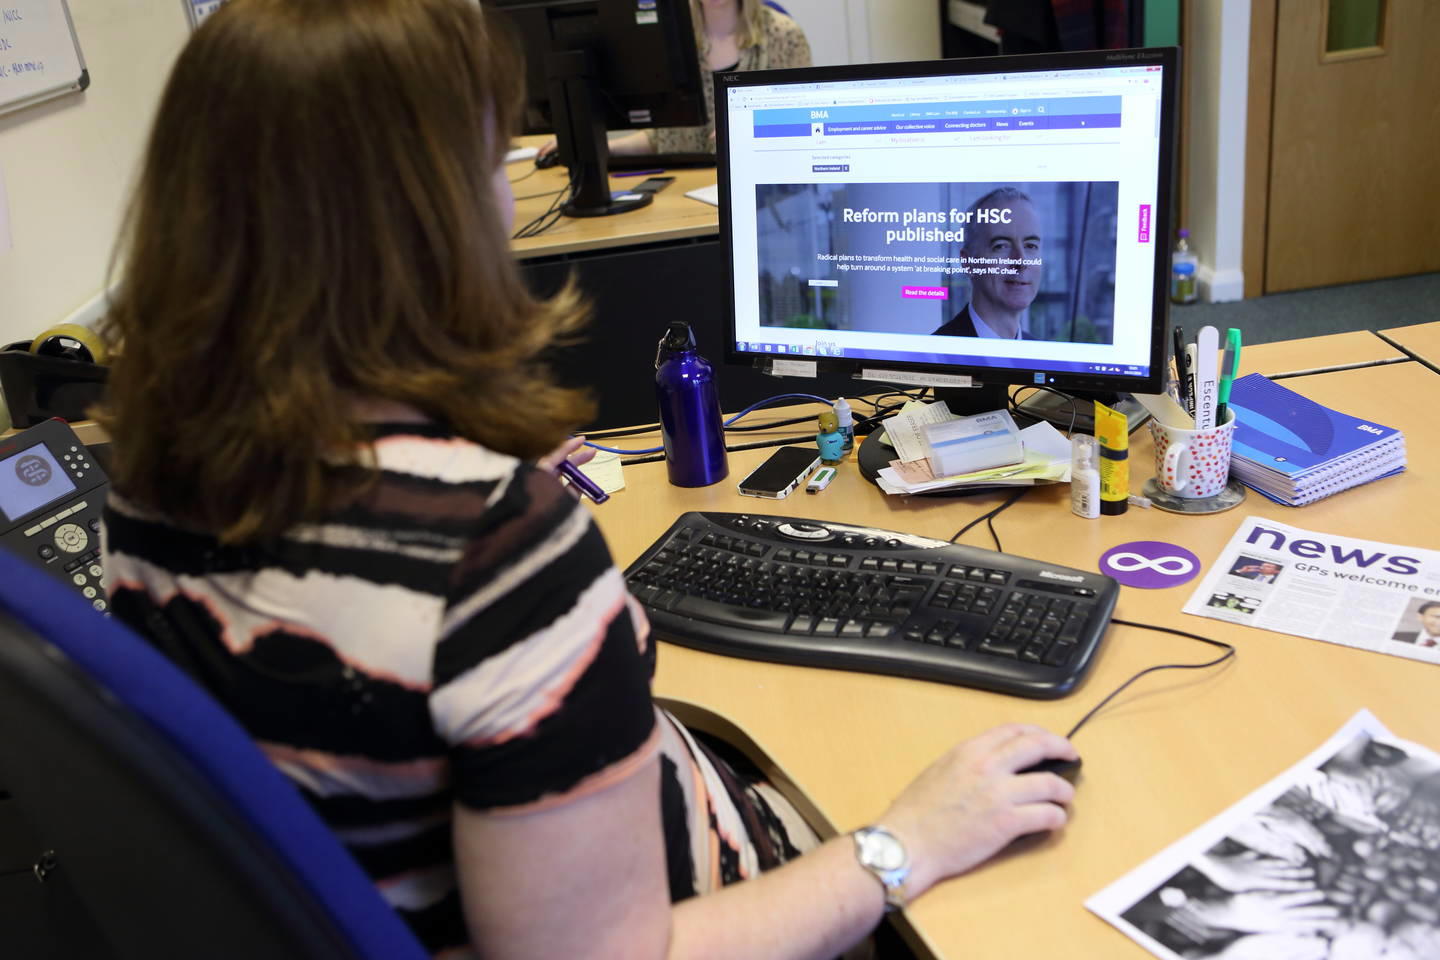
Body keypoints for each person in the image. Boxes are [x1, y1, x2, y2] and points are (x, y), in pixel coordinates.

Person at [96, 2, 1079, 959]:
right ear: (420, 223)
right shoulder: (492, 550)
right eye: (493, 163)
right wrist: (908, 841)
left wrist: (457, 476)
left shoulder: (152, 477)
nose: (507, 198)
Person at [538, 0, 812, 160]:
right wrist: (595, 147)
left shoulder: (783, 36)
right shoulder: (669, 36)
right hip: (685, 192)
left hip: (764, 196)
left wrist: (753, 132)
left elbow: (808, 125)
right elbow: (665, 137)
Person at [931, 187, 1043, 340]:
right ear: (968, 262)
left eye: (1030, 246)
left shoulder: (1042, 351)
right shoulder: (934, 353)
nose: (1021, 261)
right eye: (1001, 246)